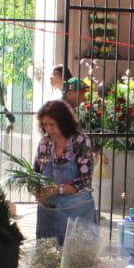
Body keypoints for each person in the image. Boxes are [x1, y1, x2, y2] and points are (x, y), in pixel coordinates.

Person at [32, 100, 97, 243]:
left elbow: (85, 181)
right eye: (45, 125)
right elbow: (35, 174)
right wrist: (37, 191)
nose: (48, 129)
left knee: (77, 259)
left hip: (77, 210)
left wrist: (57, 189)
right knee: (49, 259)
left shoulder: (80, 141)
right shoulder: (45, 143)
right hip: (49, 213)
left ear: (64, 122)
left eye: (52, 124)